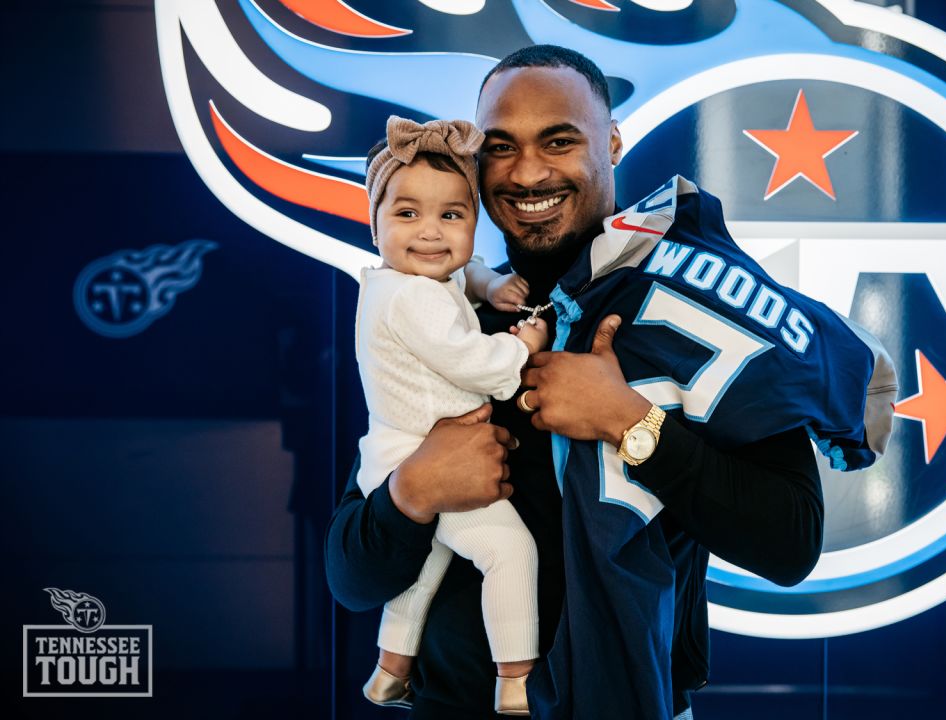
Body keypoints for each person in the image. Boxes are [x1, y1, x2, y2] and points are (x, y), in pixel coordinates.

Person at [327, 45, 891, 719]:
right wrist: (415, 488)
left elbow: (789, 544)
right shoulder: (440, 316)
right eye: (501, 148)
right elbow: (351, 577)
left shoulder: (692, 303)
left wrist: (630, 423)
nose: (528, 172)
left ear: (613, 142)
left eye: (559, 140)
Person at [354, 115, 549, 715]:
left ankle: (390, 671)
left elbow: (462, 272)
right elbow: (473, 364)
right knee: (511, 553)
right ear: (375, 222)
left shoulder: (400, 281)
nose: (431, 234)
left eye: (452, 215)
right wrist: (525, 346)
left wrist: (489, 286)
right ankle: (515, 681)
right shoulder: (413, 298)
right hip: (437, 465)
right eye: (407, 215)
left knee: (426, 567)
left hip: (395, 455)